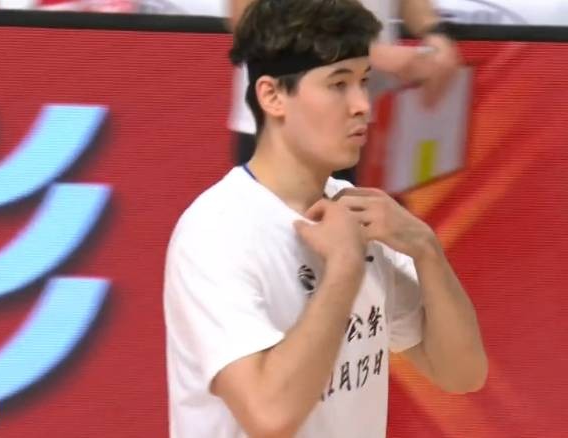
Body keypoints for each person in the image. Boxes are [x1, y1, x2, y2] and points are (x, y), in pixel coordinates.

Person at [163, 1, 487, 437]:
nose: (363, 106)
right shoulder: (215, 234)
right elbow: (270, 416)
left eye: (364, 81)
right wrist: (344, 269)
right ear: (272, 96)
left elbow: (462, 373)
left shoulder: (361, 213)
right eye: (338, 84)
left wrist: (426, 249)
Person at [227, 0, 461, 181]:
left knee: (343, 219)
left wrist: (434, 31)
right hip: (288, 123)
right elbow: (249, 20)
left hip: (359, 122)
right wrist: (373, 53)